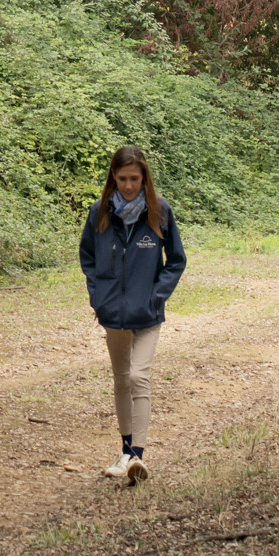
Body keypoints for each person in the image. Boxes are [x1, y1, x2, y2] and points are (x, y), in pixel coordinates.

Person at [78, 145, 187, 485]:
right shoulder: (99, 213)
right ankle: (126, 451)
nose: (128, 186)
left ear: (145, 178)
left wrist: (157, 295)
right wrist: (99, 296)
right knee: (122, 379)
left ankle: (137, 456)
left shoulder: (159, 211)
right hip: (113, 314)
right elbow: (87, 258)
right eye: (122, 179)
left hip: (148, 313)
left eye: (135, 179)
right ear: (113, 177)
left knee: (140, 377)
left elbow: (177, 260)